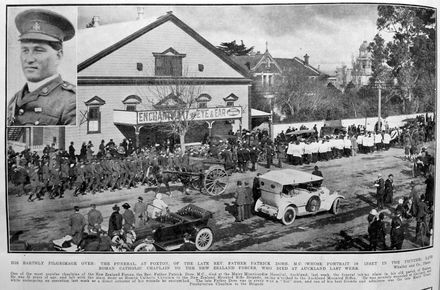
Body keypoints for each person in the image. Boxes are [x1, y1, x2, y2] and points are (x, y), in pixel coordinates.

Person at [8, 8, 76, 126]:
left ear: (58, 56)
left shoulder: (70, 102)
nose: (29, 59)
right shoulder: (15, 99)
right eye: (25, 50)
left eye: (38, 51)